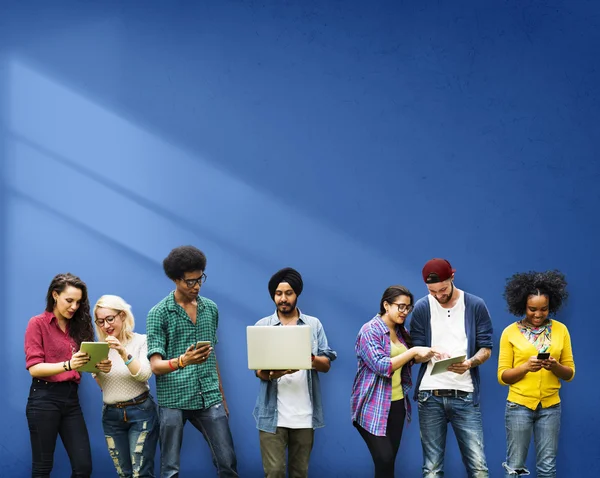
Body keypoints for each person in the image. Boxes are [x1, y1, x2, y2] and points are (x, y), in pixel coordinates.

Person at [146, 245, 238, 478]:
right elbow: (155, 366)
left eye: (200, 279)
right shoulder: (158, 313)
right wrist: (183, 361)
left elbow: (211, 354)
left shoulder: (210, 309)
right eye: (190, 281)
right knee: (170, 470)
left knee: (227, 463)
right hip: (173, 399)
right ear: (176, 279)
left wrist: (221, 397)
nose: (197, 286)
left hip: (208, 396)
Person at [410, 258, 493, 478]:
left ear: (452, 278)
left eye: (443, 289)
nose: (438, 295)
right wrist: (427, 352)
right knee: (432, 469)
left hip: (465, 395)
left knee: (478, 468)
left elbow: (486, 348)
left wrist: (469, 363)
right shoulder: (422, 307)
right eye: (432, 291)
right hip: (429, 395)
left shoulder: (475, 305)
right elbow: (415, 354)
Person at [253, 267, 337, 478]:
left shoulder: (313, 324)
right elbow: (259, 372)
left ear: (297, 294)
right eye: (279, 293)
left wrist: (309, 358)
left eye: (288, 293)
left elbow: (326, 364)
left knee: (300, 473)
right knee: (274, 473)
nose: (283, 298)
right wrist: (274, 373)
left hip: (304, 416)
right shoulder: (262, 326)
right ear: (273, 295)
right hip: (272, 416)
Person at [351, 285, 440, 478]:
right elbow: (382, 366)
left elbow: (407, 360)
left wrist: (427, 355)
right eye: (400, 306)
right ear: (386, 305)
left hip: (397, 404)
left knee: (388, 463)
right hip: (372, 405)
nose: (405, 312)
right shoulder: (369, 331)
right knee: (384, 458)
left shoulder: (401, 332)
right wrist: (414, 351)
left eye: (408, 307)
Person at [498, 270, 575, 478]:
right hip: (518, 407)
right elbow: (503, 376)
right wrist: (525, 367)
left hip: (551, 407)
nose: (538, 314)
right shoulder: (510, 332)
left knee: (547, 468)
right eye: (532, 309)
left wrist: (555, 366)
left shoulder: (561, 330)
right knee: (515, 468)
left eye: (544, 309)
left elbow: (569, 374)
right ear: (523, 305)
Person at [24, 273, 95, 477]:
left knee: (83, 467)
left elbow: (86, 366)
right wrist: (69, 364)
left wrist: (99, 366)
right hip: (44, 399)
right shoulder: (37, 323)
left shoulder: (79, 327)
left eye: (78, 302)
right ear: (55, 295)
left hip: (71, 400)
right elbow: (34, 368)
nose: (74, 307)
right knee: (43, 467)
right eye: (69, 300)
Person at [93, 295, 159, 478]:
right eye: (100, 322)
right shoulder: (99, 348)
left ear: (122, 315)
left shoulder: (141, 341)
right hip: (111, 415)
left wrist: (123, 352)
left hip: (141, 413)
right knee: (124, 474)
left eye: (109, 319)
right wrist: (97, 371)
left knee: (141, 474)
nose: (106, 326)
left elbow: (144, 374)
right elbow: (104, 386)